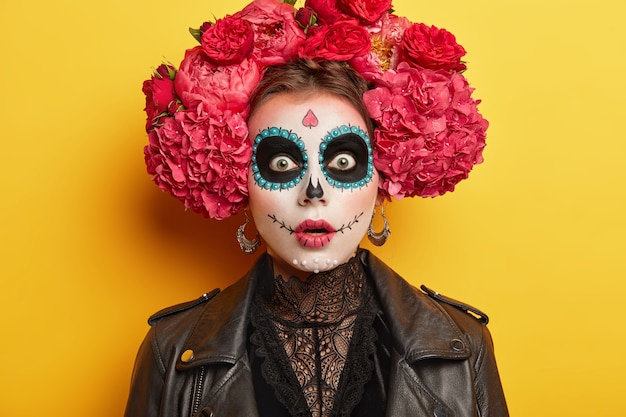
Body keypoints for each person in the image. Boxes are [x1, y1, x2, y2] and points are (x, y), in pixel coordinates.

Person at [127, 1, 508, 416]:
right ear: (238, 180)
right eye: (281, 163)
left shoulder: (462, 345)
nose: (313, 191)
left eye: (343, 163)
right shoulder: (174, 351)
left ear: (382, 180)